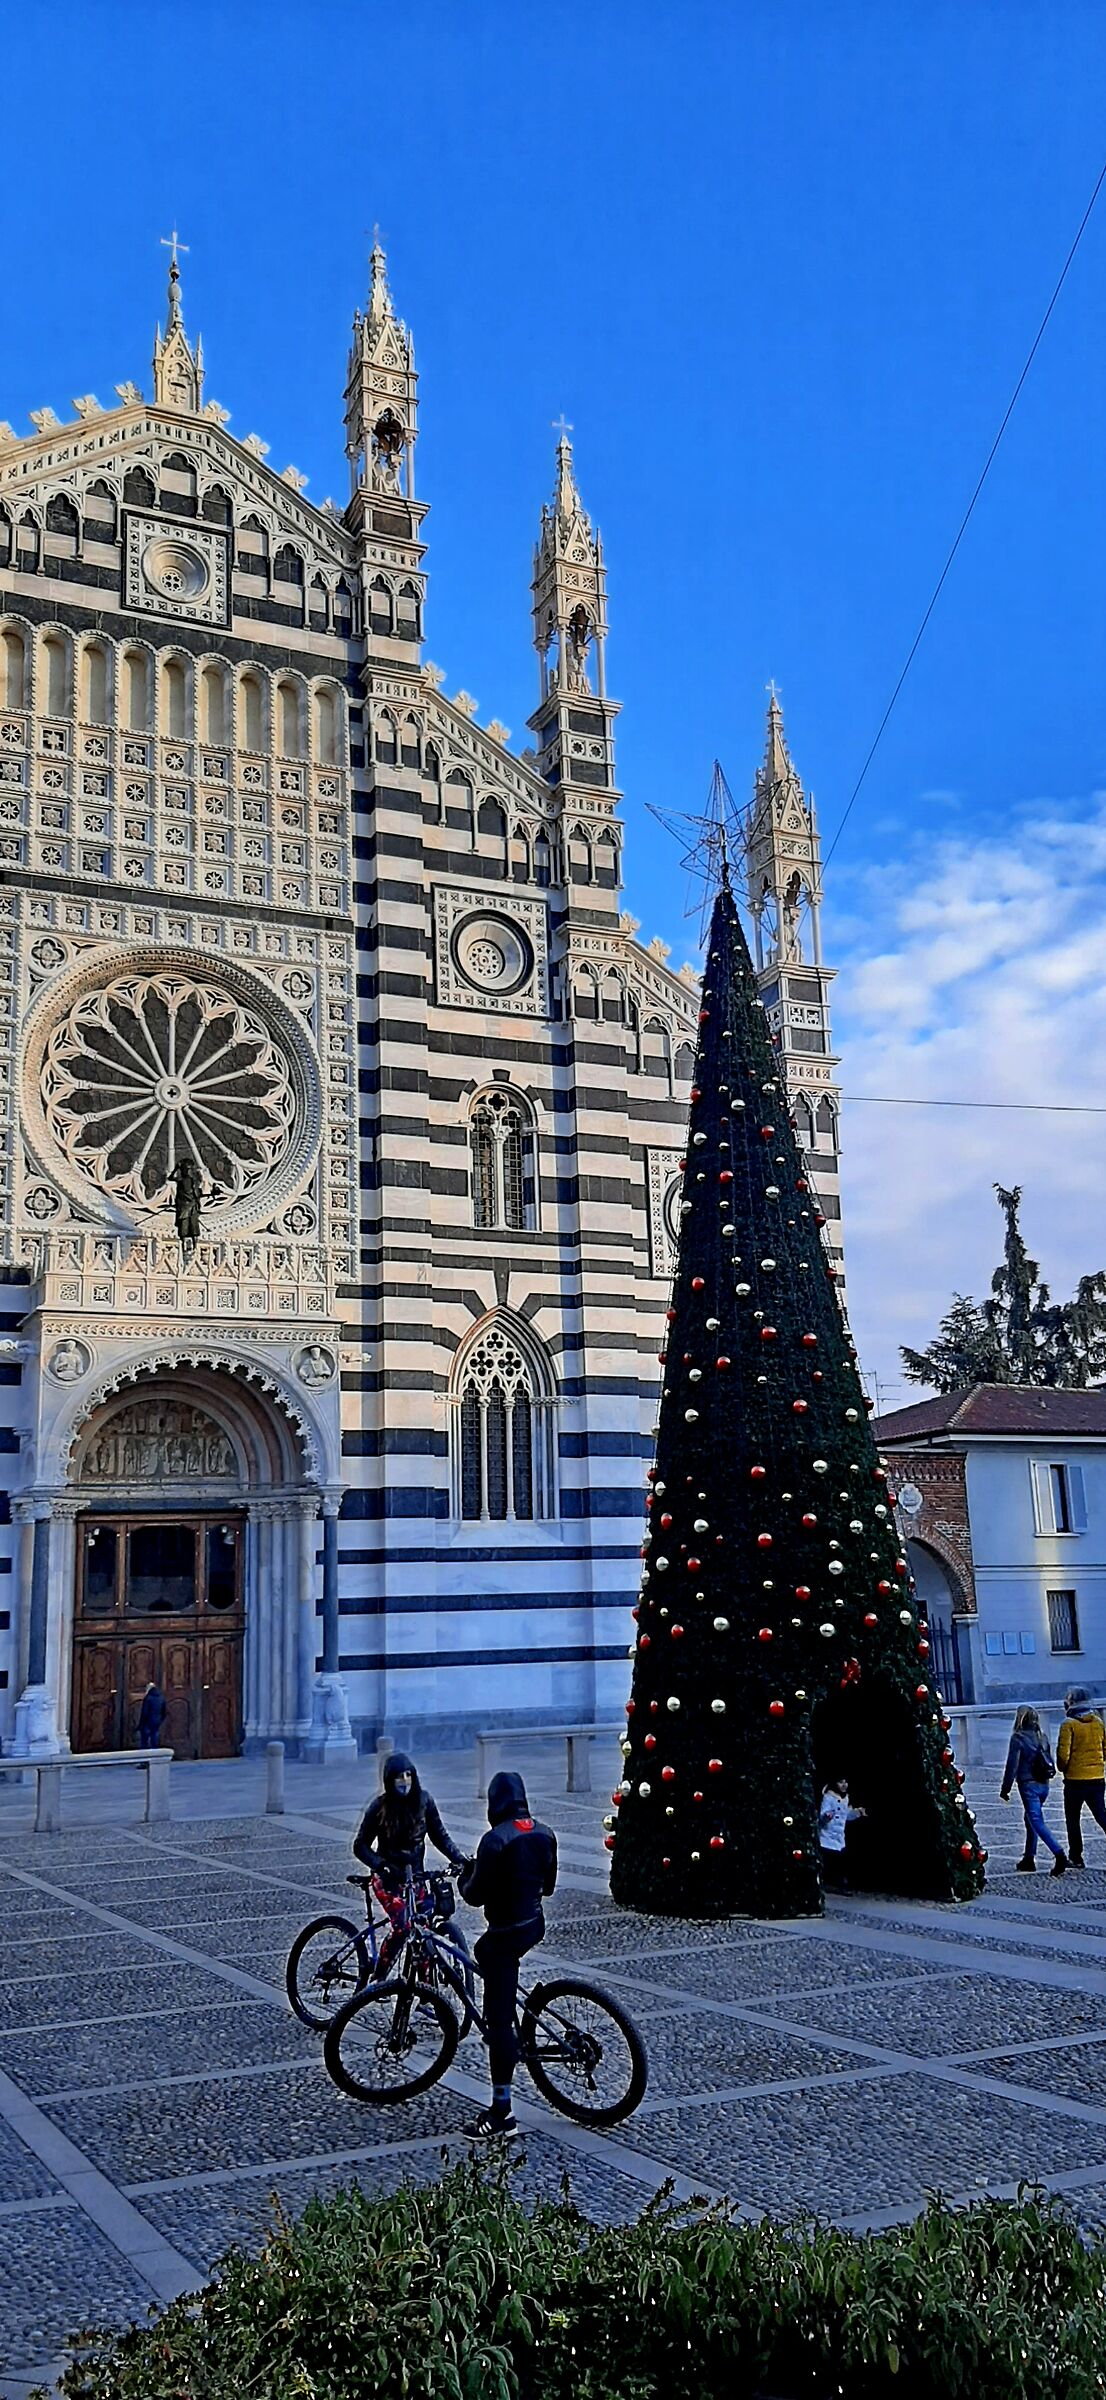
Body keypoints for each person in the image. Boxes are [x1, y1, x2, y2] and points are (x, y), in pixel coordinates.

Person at [458, 1769, 558, 2139]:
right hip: (533, 1925)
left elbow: (474, 1895)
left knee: (499, 2024)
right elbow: (547, 1887)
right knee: (500, 1973)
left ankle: (502, 2113)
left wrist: (465, 1876)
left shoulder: (494, 1841)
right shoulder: (545, 1833)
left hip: (503, 1935)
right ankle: (513, 2023)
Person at [353, 1753, 466, 1973]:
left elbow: (440, 1836)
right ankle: (379, 1979)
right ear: (389, 1780)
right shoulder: (379, 1807)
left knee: (422, 1930)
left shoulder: (424, 1801)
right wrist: (380, 1865)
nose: (404, 1781)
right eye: (398, 1777)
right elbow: (360, 1846)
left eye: (408, 1775)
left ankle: (426, 1994)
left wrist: (459, 1859)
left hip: (415, 1876)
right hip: (388, 1877)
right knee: (403, 1926)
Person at [1000, 1705, 1066, 1875]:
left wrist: (1005, 1788)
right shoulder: (1042, 1737)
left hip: (1028, 1785)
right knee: (1030, 1819)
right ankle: (1029, 1858)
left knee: (1036, 1820)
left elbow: (1012, 1765)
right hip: (1044, 1785)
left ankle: (1058, 1853)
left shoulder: (1018, 1738)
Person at [1057, 1689, 1106, 1869]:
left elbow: (1063, 1755)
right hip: (1097, 1778)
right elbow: (1105, 1748)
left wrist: (1062, 1768)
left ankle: (1076, 1857)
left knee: (1073, 1819)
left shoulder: (1068, 1724)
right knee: (1102, 1815)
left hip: (1075, 1780)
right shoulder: (1098, 1722)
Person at [818, 1776, 866, 1891]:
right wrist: (827, 1816)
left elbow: (846, 1816)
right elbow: (823, 1815)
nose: (844, 1785)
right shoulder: (828, 1797)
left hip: (839, 1836)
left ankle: (841, 1885)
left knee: (841, 1861)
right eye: (841, 1782)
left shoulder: (846, 1798)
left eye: (846, 1782)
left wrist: (857, 1812)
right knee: (825, 1860)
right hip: (827, 1835)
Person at [137, 1682, 166, 1749]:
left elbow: (145, 1712)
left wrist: (141, 1723)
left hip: (148, 1720)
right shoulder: (161, 1697)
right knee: (155, 1735)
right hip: (157, 1720)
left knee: (144, 1738)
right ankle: (155, 1750)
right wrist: (161, 1719)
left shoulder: (148, 1698)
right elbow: (164, 1710)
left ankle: (144, 1752)